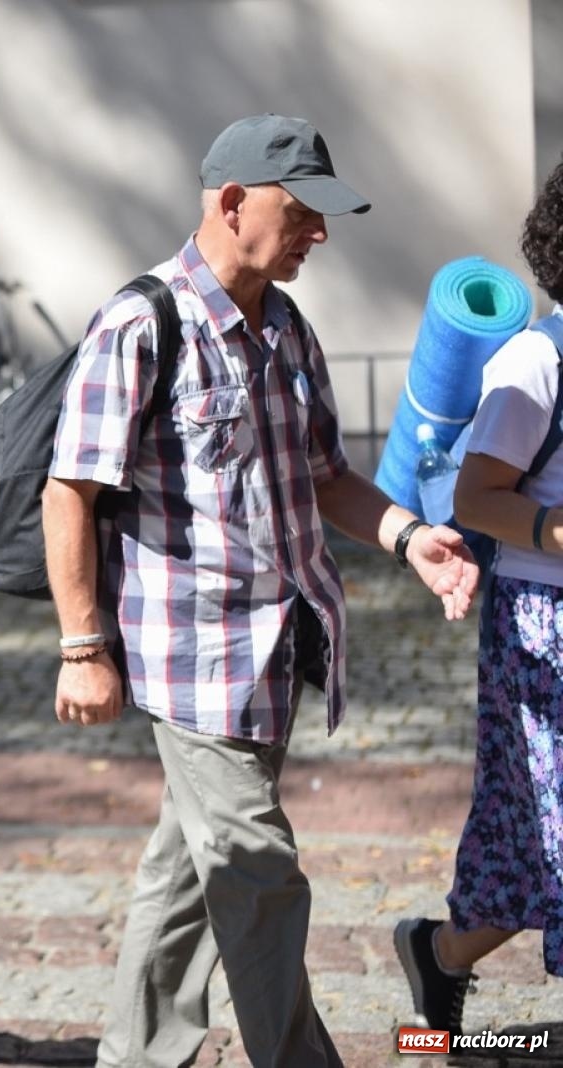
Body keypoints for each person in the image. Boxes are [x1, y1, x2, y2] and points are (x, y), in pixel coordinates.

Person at [43, 114, 480, 1067]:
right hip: (191, 658)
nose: (320, 233)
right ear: (231, 203)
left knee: (189, 877)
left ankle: (136, 1054)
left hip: (279, 652)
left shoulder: (285, 326)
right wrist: (82, 647)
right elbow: (68, 492)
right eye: (302, 213)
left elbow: (327, 477)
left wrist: (409, 538)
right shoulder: (139, 322)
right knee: (260, 873)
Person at [393, 157, 563, 1034]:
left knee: (531, 840)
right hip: (545, 627)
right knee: (543, 828)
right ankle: (440, 961)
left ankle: (438, 954)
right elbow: (476, 498)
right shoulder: (539, 360)